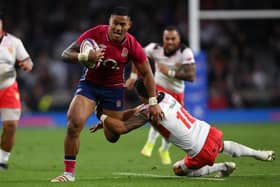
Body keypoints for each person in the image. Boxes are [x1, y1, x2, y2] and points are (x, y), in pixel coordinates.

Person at [51, 7, 163, 182]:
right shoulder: (96, 34)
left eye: (122, 24)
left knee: (113, 136)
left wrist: (154, 101)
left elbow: (147, 73)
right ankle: (68, 174)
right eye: (115, 24)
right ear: (109, 23)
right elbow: (65, 54)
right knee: (74, 123)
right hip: (89, 86)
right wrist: (85, 56)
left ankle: (135, 110)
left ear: (129, 25)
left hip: (113, 90)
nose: (118, 28)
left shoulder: (132, 44)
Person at [90, 79, 276, 178]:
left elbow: (121, 128)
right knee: (223, 146)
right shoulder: (164, 95)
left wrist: (102, 116)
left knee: (178, 169)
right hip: (207, 131)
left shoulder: (150, 112)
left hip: (200, 151)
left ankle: (222, 166)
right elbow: (131, 112)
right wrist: (107, 120)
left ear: (139, 95)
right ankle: (257, 153)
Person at [125, 26, 196, 165]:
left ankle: (164, 149)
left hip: (177, 93)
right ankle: (150, 143)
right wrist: (133, 75)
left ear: (179, 39)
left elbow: (191, 76)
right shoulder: (155, 49)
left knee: (173, 126)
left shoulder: (185, 52)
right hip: (159, 89)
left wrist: (169, 72)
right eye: (167, 38)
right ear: (163, 39)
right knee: (156, 116)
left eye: (173, 39)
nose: (169, 42)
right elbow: (137, 56)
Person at [0, 11, 34, 170]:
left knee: (11, 126)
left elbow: (28, 62)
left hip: (8, 87)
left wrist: (27, 65)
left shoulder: (14, 42)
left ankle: (2, 160)